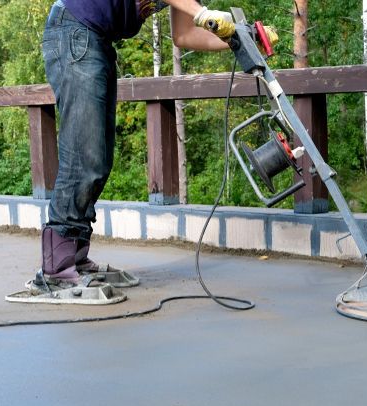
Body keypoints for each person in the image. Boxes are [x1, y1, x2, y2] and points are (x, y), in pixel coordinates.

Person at [35, 0, 238, 288]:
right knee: (83, 155)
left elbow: (185, 36)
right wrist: (203, 14)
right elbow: (196, 17)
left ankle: (75, 256)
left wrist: (237, 38)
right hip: (75, 28)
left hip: (95, 38)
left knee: (98, 158)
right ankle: (56, 268)